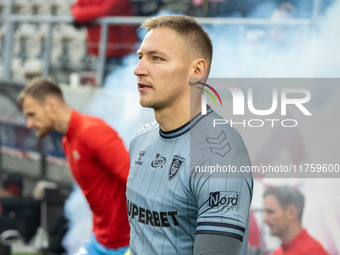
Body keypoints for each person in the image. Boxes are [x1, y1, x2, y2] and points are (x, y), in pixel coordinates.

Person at [126, 15, 253, 255]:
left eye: (156, 58)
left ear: (196, 70)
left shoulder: (220, 157)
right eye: (140, 57)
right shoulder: (140, 141)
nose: (138, 70)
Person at [18, 77, 130, 255]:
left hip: (127, 245)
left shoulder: (92, 131)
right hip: (100, 242)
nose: (29, 124)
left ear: (51, 105)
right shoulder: (67, 141)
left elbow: (138, 181)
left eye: (32, 114)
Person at [71, 0, 138, 80]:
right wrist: (85, 15)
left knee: (114, 82)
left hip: (120, 50)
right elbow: (75, 10)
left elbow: (106, 10)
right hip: (100, 48)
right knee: (103, 81)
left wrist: (83, 17)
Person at [263, 185, 329, 255]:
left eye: (270, 212)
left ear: (291, 213)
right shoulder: (278, 252)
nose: (264, 218)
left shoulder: (313, 251)